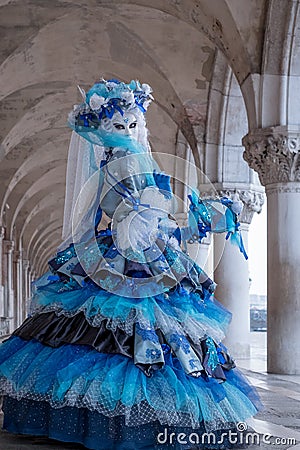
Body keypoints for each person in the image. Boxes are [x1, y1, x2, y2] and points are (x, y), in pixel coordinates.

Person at [0, 79, 261, 450]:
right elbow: (123, 224)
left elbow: (160, 224)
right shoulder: (112, 171)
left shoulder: (135, 168)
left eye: (133, 125)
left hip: (147, 256)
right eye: (117, 126)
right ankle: (119, 424)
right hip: (122, 260)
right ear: (102, 131)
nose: (127, 133)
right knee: (117, 335)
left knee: (151, 336)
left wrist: (200, 219)